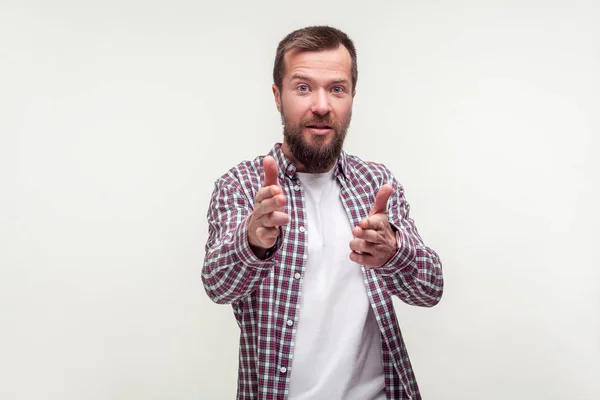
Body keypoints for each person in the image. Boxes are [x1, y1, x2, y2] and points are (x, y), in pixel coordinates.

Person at [202, 25, 444, 400]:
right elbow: (218, 286)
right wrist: (252, 241)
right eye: (302, 87)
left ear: (351, 96)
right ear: (277, 97)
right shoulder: (241, 186)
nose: (321, 105)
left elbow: (430, 289)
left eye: (336, 88)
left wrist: (394, 252)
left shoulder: (376, 183)